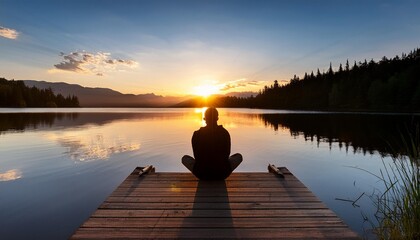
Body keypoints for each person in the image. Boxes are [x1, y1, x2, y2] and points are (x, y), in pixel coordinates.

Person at [182, 107, 242, 180]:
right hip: (222, 174)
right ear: (217, 118)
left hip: (202, 174)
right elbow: (227, 154)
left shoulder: (196, 134)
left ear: (205, 119)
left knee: (185, 158)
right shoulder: (224, 133)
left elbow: (197, 156)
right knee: (238, 156)